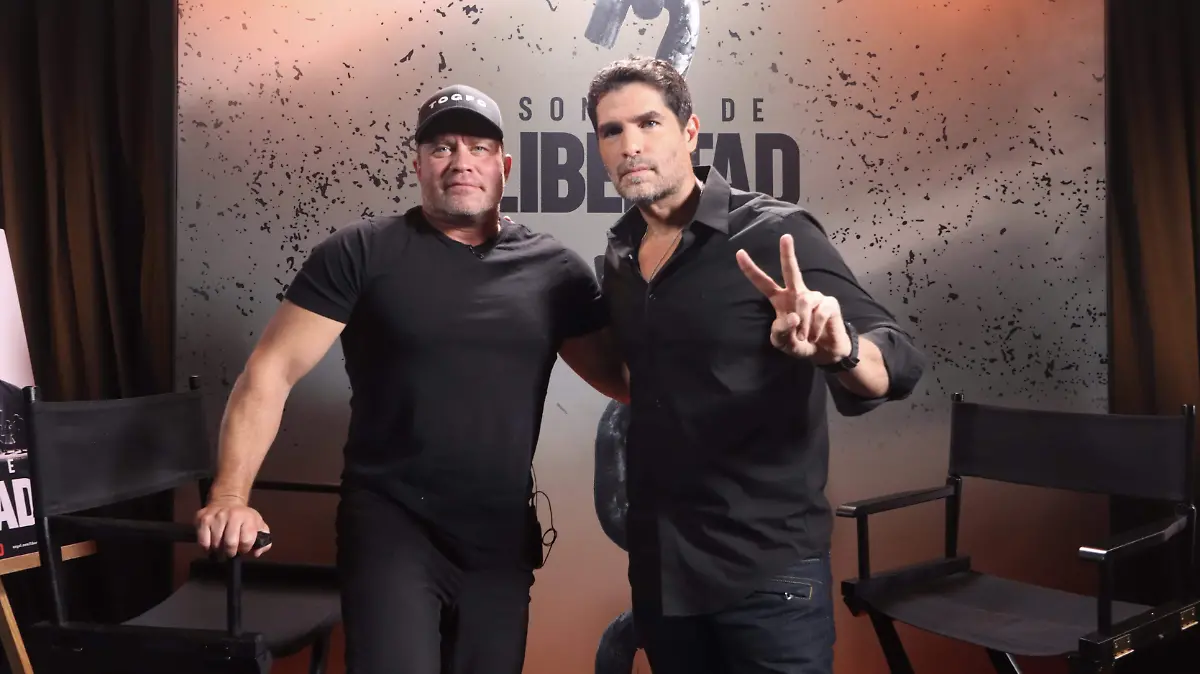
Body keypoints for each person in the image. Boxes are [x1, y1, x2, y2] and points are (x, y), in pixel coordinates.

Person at [193, 84, 627, 674]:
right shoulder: (359, 253)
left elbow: (622, 381)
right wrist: (229, 497)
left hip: (499, 536)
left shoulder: (555, 272)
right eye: (442, 147)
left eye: (478, 147)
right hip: (391, 525)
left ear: (503, 166)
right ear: (418, 164)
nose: (461, 162)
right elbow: (270, 372)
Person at [586, 57, 927, 673]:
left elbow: (896, 357)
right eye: (612, 131)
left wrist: (843, 350)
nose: (631, 145)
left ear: (690, 132)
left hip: (767, 576)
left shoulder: (773, 233)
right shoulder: (620, 256)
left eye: (649, 123)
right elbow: (642, 381)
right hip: (664, 575)